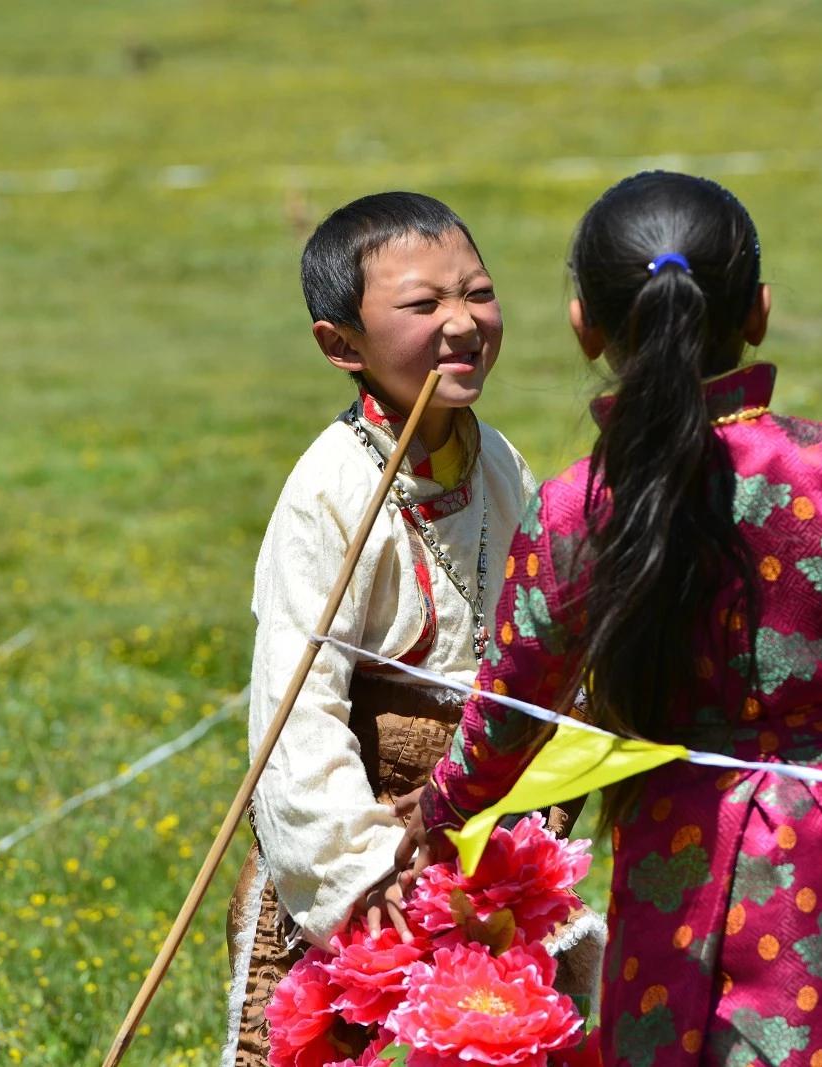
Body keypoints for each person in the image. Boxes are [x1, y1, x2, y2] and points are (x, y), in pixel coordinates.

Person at [402, 172, 822, 1067]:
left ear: (587, 325)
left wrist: (441, 808)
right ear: (758, 311)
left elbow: (515, 705)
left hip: (670, 858)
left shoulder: (578, 507)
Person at [222, 192, 551, 1067]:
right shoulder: (328, 494)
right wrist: (364, 874)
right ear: (341, 345)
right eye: (422, 305)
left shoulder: (501, 463)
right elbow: (294, 720)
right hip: (366, 874)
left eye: (477, 292)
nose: (461, 323)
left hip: (478, 853)